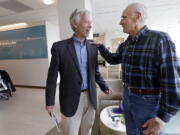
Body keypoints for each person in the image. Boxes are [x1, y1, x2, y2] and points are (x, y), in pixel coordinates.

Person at [91, 2, 180, 135]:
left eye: (124, 17)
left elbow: (172, 82)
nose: (120, 22)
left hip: (148, 102)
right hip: (127, 96)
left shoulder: (160, 39)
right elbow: (113, 58)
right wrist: (101, 46)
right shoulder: (127, 43)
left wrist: (162, 119)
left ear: (137, 16)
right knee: (131, 132)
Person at [45, 9, 112, 135]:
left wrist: (104, 86)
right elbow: (52, 78)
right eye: (87, 22)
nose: (90, 25)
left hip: (91, 96)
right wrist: (49, 101)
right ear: (75, 24)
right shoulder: (59, 47)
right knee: (70, 132)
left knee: (87, 130)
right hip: (70, 99)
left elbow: (95, 72)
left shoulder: (93, 46)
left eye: (91, 22)